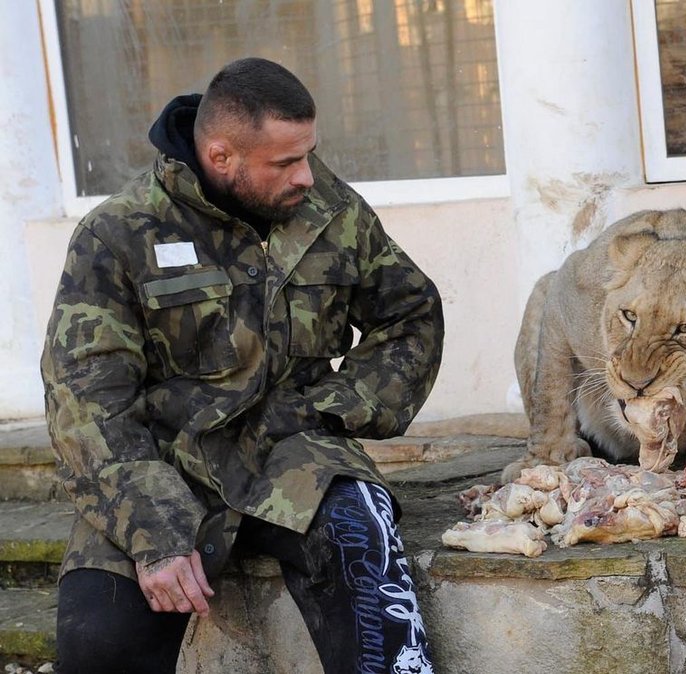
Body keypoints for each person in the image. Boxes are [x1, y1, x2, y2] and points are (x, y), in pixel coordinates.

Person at [40, 57, 444, 674]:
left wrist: (332, 407)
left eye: (308, 153)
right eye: (285, 162)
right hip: (165, 461)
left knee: (363, 552)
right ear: (222, 155)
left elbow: (411, 315)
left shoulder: (331, 211)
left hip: (296, 448)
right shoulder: (118, 235)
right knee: (98, 639)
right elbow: (87, 401)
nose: (308, 176)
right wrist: (156, 531)